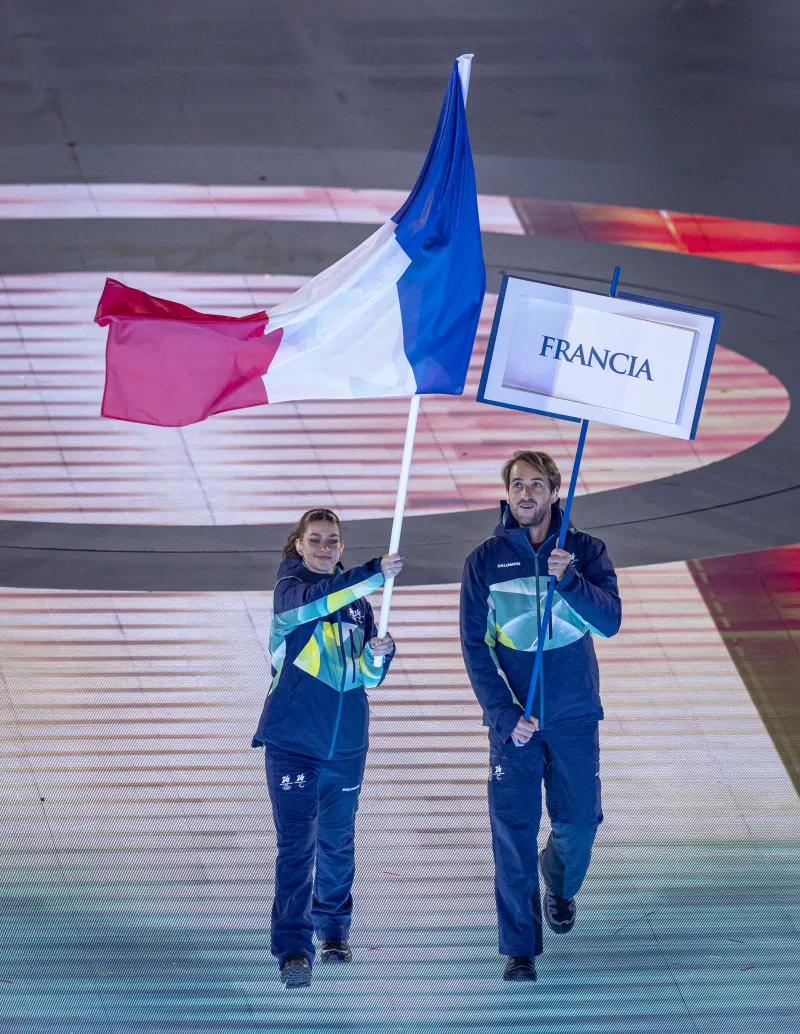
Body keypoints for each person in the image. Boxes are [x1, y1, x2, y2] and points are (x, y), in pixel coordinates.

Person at [460, 450, 621, 982]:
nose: (525, 494)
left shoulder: (586, 550)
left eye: (535, 484)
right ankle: (520, 948)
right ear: (506, 494)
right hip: (516, 727)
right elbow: (474, 646)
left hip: (574, 716)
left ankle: (561, 884)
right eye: (516, 485)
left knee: (577, 822)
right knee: (513, 830)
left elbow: (610, 622)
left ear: (555, 491)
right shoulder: (484, 562)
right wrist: (505, 716)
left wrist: (571, 579)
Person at [252, 507, 402, 989]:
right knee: (298, 847)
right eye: (315, 540)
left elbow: (364, 678)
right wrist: (370, 574)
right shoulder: (290, 591)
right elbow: (312, 605)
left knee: (337, 842)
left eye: (332, 541)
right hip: (294, 743)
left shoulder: (357, 605)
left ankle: (333, 930)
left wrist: (380, 659)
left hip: (346, 747)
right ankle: (294, 949)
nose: (324, 548)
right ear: (298, 544)